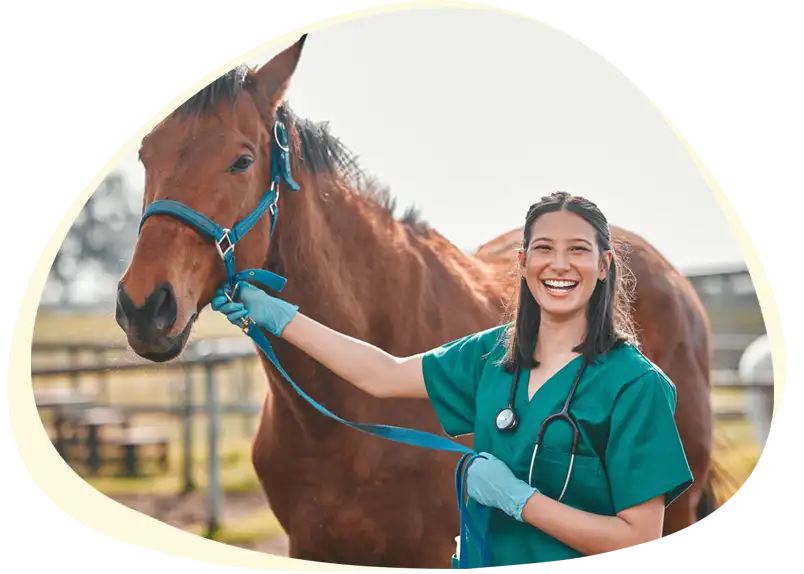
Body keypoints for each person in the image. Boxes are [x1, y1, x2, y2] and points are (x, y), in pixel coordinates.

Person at [211, 191, 694, 568]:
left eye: (578, 250)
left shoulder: (636, 385)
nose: (560, 264)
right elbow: (383, 374)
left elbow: (639, 536)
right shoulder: (491, 355)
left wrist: (521, 502)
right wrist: (278, 318)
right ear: (522, 265)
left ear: (603, 266)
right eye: (544, 248)